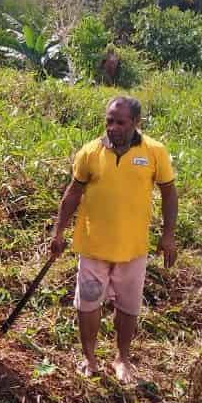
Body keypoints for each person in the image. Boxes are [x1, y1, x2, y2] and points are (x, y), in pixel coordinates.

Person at [48, 96, 178, 383]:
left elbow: (169, 193)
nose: (113, 127)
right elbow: (72, 194)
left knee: (128, 307)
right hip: (93, 246)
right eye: (109, 120)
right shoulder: (90, 153)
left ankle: (122, 358)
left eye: (120, 122)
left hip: (133, 248)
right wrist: (58, 231)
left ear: (135, 122)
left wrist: (168, 236)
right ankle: (90, 358)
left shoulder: (154, 151)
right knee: (89, 304)